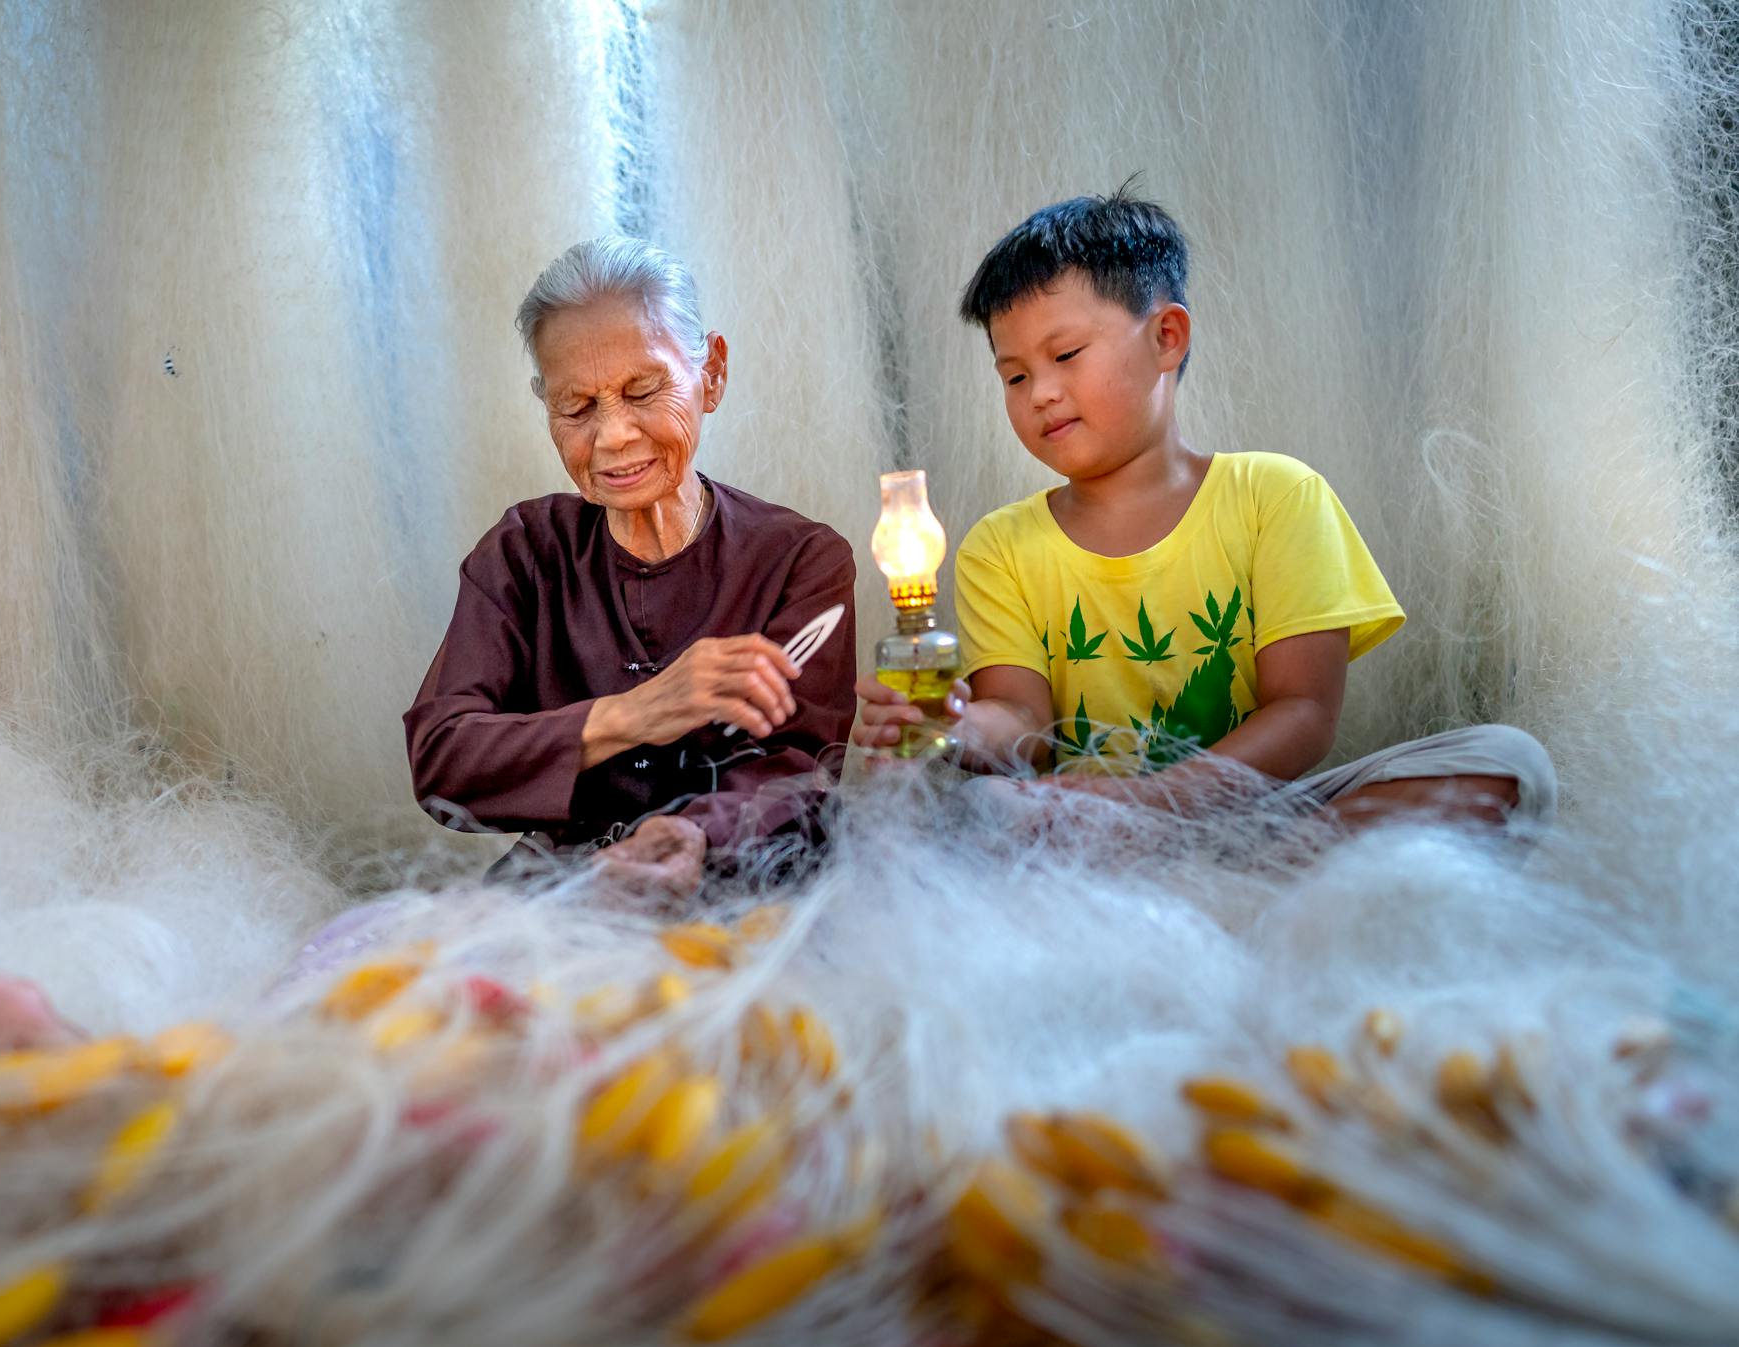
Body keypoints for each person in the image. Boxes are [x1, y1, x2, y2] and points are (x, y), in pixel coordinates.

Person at [855, 187, 1554, 831]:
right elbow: (1021, 722)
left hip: (1248, 814)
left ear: (1167, 338)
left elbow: (1304, 711)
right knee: (981, 809)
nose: (1039, 392)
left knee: (1509, 762)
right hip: (1086, 828)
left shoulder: (1276, 497)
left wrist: (1154, 802)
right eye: (1014, 375)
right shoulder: (999, 546)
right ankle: (1245, 894)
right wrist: (952, 724)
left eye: (1065, 354)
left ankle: (1226, 880)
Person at [405, 236, 857, 901]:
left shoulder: (799, 560)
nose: (613, 435)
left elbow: (799, 771)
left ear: (712, 375)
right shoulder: (523, 553)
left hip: (748, 889)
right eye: (577, 408)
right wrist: (635, 714)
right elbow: (443, 758)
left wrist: (699, 835)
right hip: (564, 892)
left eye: (642, 391)